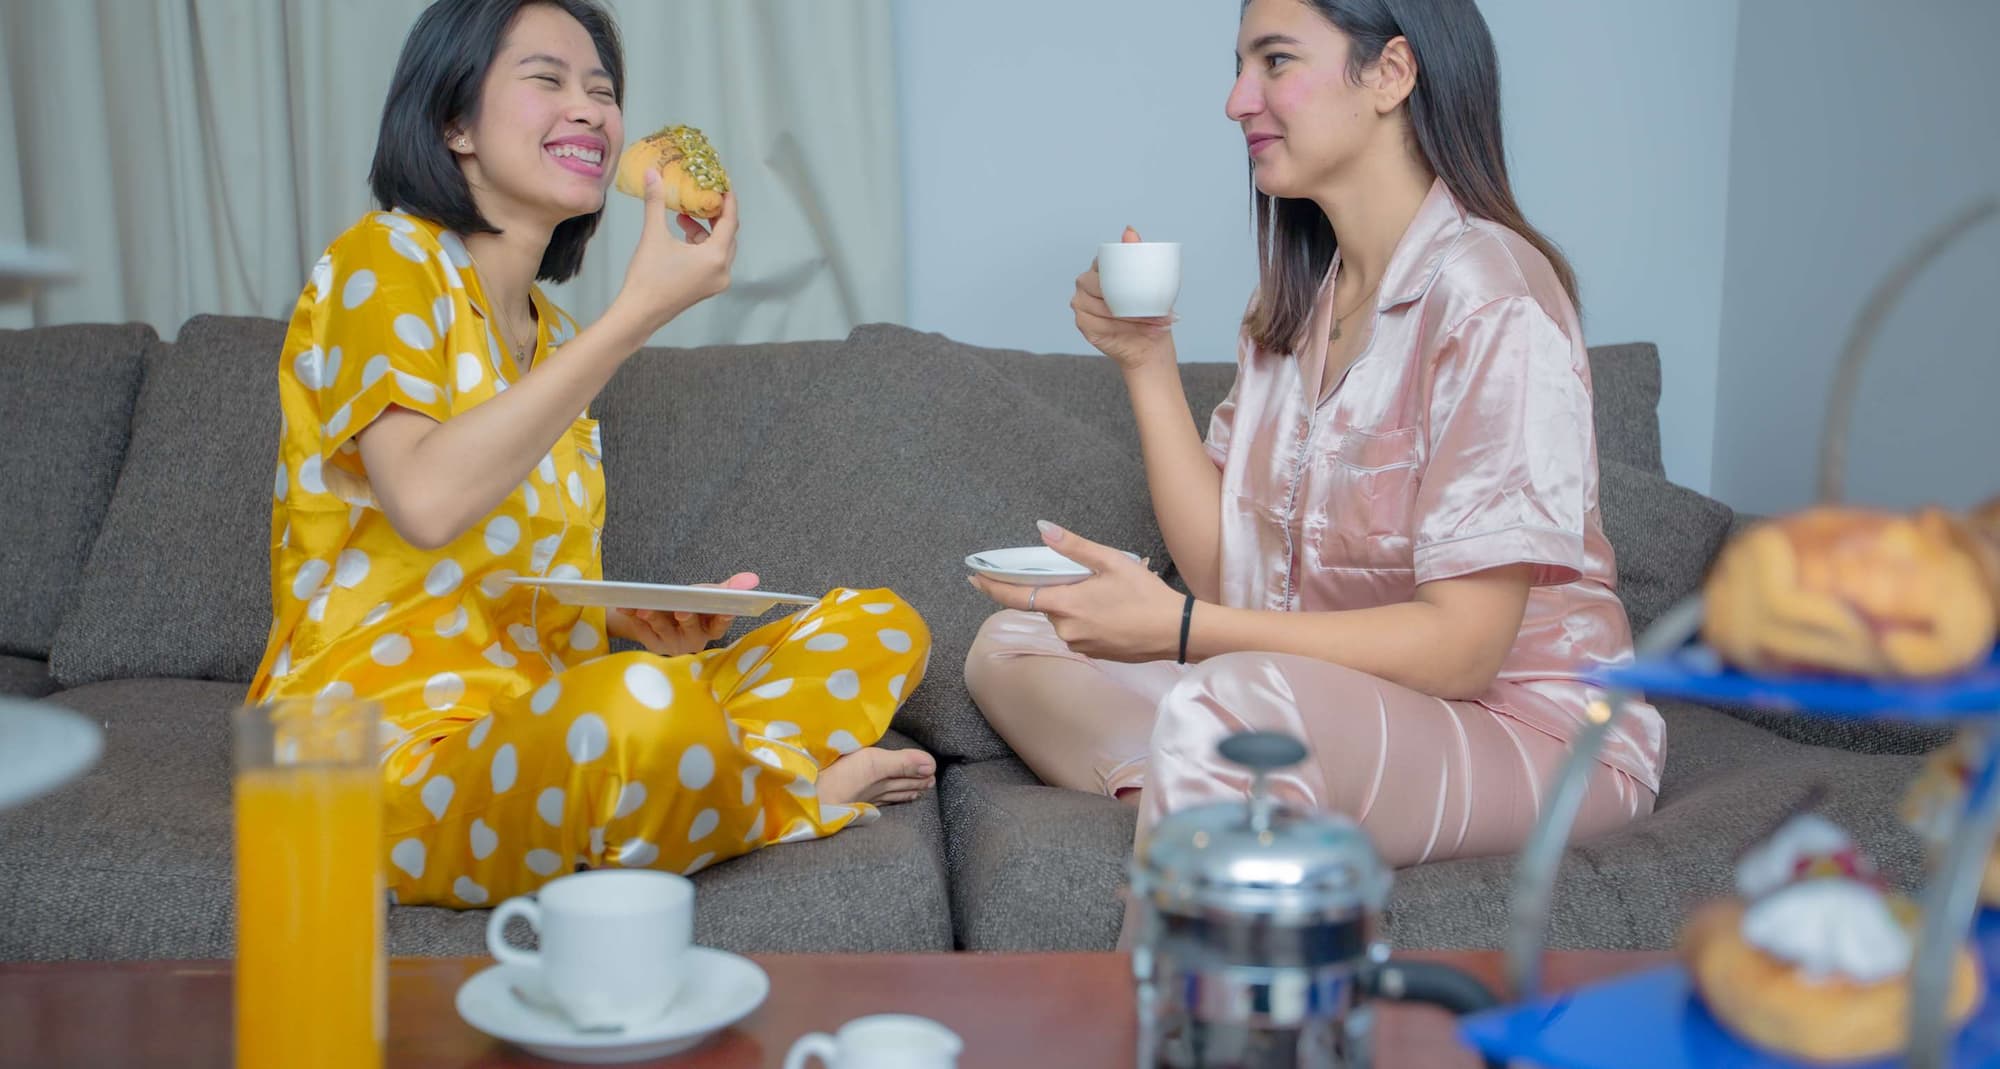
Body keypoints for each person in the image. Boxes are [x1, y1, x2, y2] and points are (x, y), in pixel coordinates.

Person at [247, 0, 934, 908]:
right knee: (639, 707)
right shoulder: (382, 261)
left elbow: (507, 577)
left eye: (602, 90)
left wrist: (635, 620)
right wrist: (637, 315)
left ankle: (685, 780)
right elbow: (423, 501)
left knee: (883, 627)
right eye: (547, 80)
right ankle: (786, 793)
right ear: (454, 121)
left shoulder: (556, 330)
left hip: (540, 715)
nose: (591, 110)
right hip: (378, 751)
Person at [966, 0, 1659, 870]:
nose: (1236, 101)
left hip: (1526, 724)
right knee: (1018, 641)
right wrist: (1147, 362)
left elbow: (1463, 649)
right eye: (1241, 65)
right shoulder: (1295, 306)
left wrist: (1182, 628)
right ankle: (1201, 795)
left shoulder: (1493, 297)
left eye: (1276, 61)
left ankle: (1212, 800)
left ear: (1391, 75)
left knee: (1229, 698)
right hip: (1325, 698)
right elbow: (1233, 577)